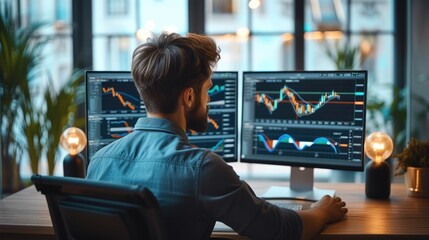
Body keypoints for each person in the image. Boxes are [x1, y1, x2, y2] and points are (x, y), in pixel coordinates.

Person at [86, 32, 348, 240]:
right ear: (189, 97)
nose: (208, 99)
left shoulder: (98, 162)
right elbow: (279, 230)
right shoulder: (203, 169)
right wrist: (320, 213)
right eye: (207, 89)